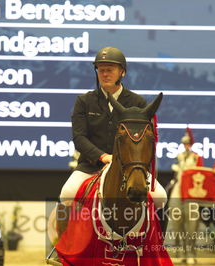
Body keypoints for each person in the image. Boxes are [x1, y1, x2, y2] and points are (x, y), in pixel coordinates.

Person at [60, 46, 167, 209]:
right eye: (101, 70)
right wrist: (103, 157)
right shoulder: (84, 101)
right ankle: (69, 235)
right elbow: (79, 138)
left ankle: (154, 235)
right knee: (67, 194)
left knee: (160, 198)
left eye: (109, 70)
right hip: (91, 167)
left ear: (122, 72)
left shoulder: (137, 102)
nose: (104, 74)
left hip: (130, 168)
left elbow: (143, 139)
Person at [166, 128, 203, 264]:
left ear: (191, 145)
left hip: (191, 191)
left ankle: (191, 253)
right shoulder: (180, 156)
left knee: (192, 225)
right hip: (179, 187)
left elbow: (200, 173)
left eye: (188, 144)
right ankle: (181, 251)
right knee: (177, 223)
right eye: (184, 144)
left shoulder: (196, 157)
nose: (186, 146)